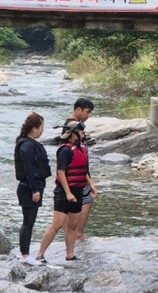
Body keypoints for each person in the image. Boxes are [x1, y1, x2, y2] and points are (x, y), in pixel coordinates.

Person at [36, 121, 97, 263]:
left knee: (73, 225)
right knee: (57, 224)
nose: (82, 135)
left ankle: (70, 254)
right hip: (63, 192)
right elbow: (61, 172)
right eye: (80, 132)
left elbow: (84, 170)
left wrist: (91, 185)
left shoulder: (82, 148)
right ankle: (40, 254)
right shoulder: (65, 150)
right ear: (72, 134)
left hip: (78, 190)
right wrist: (68, 193)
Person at [14, 112, 51, 265]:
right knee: (28, 221)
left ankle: (24, 253)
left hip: (30, 187)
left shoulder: (26, 142)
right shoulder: (27, 145)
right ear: (35, 128)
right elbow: (29, 169)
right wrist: (35, 190)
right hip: (29, 188)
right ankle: (25, 255)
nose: (43, 130)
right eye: (42, 127)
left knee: (28, 221)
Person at [64, 97, 96, 239]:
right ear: (78, 109)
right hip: (77, 174)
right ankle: (78, 234)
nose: (88, 116)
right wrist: (88, 180)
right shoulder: (73, 125)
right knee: (86, 202)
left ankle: (75, 233)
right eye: (87, 112)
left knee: (79, 203)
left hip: (77, 173)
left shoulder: (70, 124)